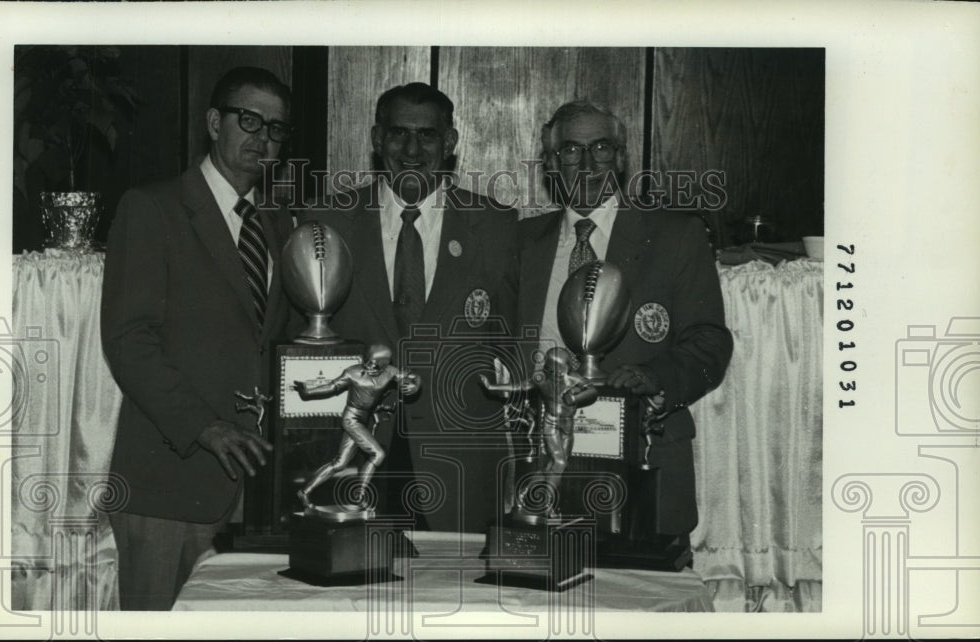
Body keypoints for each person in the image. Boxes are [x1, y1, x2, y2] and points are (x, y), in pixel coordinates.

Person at [101, 67, 298, 610]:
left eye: (277, 130)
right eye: (250, 120)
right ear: (214, 122)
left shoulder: (279, 226)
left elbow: (273, 343)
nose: (263, 138)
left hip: (254, 493)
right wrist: (203, 427)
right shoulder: (152, 208)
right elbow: (128, 341)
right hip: (170, 476)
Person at [301, 83, 520, 533]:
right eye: (399, 133)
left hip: (457, 464)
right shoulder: (326, 221)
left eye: (428, 135)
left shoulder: (496, 226)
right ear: (377, 139)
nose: (412, 149)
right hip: (356, 449)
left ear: (451, 142)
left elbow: (513, 341)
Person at [518, 100, 733, 546]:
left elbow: (710, 340)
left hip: (642, 464)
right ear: (551, 163)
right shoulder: (521, 243)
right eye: (571, 151)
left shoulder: (675, 235)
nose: (587, 162)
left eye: (601, 148)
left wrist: (656, 378)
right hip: (540, 464)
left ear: (620, 158)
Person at [292, 344, 421, 509]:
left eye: (374, 363)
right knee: (378, 454)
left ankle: (304, 492)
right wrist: (307, 392)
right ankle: (359, 496)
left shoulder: (390, 372)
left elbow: (412, 376)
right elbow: (332, 386)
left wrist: (415, 384)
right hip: (351, 418)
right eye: (368, 360)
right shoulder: (353, 372)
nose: (369, 365)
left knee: (340, 464)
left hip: (363, 419)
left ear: (384, 363)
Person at [480, 347, 597, 519]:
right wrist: (492, 386)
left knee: (552, 467)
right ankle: (547, 504)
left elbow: (593, 392)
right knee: (559, 463)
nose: (560, 374)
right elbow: (519, 386)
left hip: (568, 425)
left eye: (563, 370)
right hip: (551, 423)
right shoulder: (541, 378)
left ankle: (525, 492)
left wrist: (575, 396)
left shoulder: (574, 379)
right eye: (557, 371)